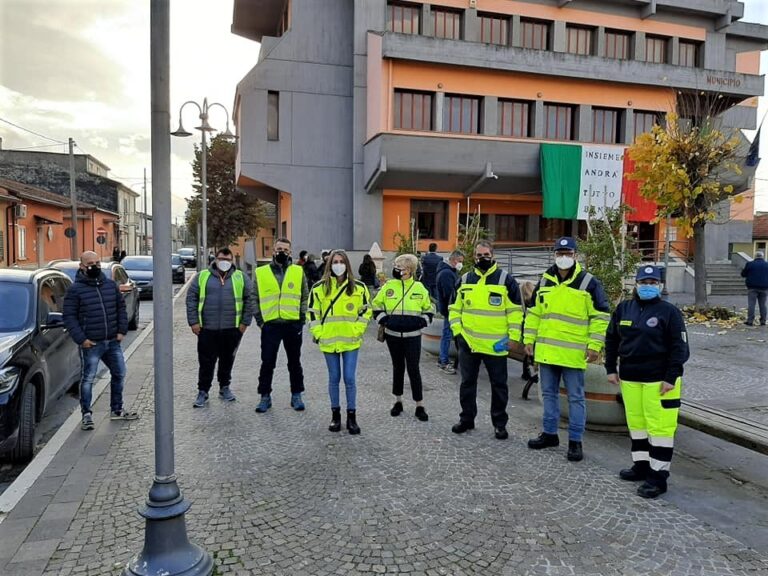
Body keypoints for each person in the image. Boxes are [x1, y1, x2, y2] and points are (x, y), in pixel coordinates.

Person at [605, 265, 690, 498]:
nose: (648, 286)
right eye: (644, 282)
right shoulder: (624, 309)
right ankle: (641, 466)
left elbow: (679, 348)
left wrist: (671, 377)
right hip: (631, 379)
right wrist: (610, 368)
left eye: (653, 283)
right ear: (637, 284)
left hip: (660, 382)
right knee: (638, 425)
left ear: (660, 286)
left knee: (660, 430)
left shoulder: (669, 312)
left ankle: (658, 478)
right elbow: (611, 339)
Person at [524, 237, 610, 462]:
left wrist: (594, 345)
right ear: (554, 255)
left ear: (576, 255)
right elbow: (533, 313)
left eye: (568, 253)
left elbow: (600, 316)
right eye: (560, 253)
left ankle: (575, 441)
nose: (564, 257)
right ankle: (550, 434)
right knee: (549, 394)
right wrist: (528, 340)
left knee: (576, 398)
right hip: (547, 351)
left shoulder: (588, 282)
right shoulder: (545, 280)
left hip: (573, 353)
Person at [449, 241, 523, 440]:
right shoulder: (464, 280)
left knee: (499, 386)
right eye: (479, 255)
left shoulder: (506, 280)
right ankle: (467, 419)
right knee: (467, 384)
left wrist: (514, 338)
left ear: (493, 255)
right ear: (474, 257)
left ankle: (499, 424)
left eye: (486, 255)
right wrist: (458, 333)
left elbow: (516, 313)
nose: (482, 258)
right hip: (469, 343)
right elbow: (454, 309)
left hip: (496, 345)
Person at [63, 251, 138, 430]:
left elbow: (120, 307)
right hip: (91, 343)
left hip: (112, 341)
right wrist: (82, 340)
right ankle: (87, 415)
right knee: (88, 379)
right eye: (90, 263)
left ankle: (117, 410)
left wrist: (121, 330)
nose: (94, 266)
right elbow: (69, 317)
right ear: (82, 266)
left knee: (119, 373)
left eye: (97, 262)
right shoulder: (75, 290)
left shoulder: (110, 285)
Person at [308, 250, 371, 434]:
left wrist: (357, 330)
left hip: (350, 340)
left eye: (341, 261)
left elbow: (366, 311)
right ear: (329, 264)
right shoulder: (319, 288)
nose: (338, 264)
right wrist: (318, 333)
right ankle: (336, 416)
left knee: (349, 378)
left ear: (347, 264)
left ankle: (352, 416)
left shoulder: (359, 287)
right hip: (328, 340)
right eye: (335, 261)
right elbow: (312, 312)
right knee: (334, 378)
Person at [186, 247, 253, 408]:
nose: (225, 262)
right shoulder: (202, 277)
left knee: (227, 360)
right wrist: (194, 322)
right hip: (206, 329)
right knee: (206, 361)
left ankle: (224, 388)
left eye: (228, 260)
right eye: (222, 259)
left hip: (232, 329)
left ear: (232, 261)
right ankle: (203, 391)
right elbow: (191, 300)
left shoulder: (241, 277)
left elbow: (250, 300)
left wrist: (245, 323)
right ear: (215, 259)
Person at [373, 254, 434, 421]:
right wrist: (384, 320)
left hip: (413, 336)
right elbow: (376, 305)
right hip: (393, 336)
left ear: (410, 271)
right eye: (397, 266)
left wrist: (422, 322)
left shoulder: (419, 288)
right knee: (397, 367)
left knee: (414, 369)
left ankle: (419, 404)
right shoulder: (388, 286)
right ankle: (397, 401)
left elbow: (429, 310)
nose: (398, 269)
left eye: (402, 267)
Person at [252, 238, 309, 413]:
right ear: (273, 251)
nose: (282, 252)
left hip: (292, 325)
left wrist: (301, 319)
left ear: (290, 252)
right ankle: (264, 396)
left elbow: (305, 296)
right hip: (271, 326)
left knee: (294, 362)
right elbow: (254, 297)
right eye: (279, 249)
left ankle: (296, 395)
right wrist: (260, 321)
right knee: (268, 362)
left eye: (285, 249)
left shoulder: (298, 271)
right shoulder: (261, 272)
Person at [436, 249, 464, 374]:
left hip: (448, 307)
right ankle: (443, 361)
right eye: (460, 261)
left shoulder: (447, 271)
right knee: (447, 335)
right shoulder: (447, 274)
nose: (461, 264)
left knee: (447, 334)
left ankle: (442, 359)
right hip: (449, 308)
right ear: (453, 260)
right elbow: (449, 294)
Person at [741, 251, 768, 326]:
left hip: (752, 287)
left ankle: (750, 321)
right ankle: (763, 321)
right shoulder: (767, 264)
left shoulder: (750, 264)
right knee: (763, 305)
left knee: (751, 304)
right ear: (763, 256)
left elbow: (743, 274)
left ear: (755, 256)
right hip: (764, 288)